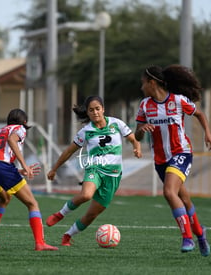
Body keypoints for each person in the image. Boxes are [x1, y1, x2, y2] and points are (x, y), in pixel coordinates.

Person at [135, 65, 211, 257]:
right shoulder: (145, 105)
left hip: (181, 153)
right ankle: (200, 233)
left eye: (143, 83)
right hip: (160, 159)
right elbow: (137, 136)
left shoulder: (178, 101)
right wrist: (142, 129)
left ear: (152, 82)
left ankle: (187, 237)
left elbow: (199, 114)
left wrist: (208, 133)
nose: (141, 88)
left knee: (169, 192)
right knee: (184, 199)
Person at [46, 95, 142, 246]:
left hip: (113, 176)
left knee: (91, 215)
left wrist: (137, 148)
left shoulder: (116, 124)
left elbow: (133, 139)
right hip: (94, 168)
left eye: (97, 109)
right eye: (91, 110)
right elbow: (69, 151)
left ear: (103, 109)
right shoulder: (86, 131)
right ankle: (60, 214)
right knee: (85, 195)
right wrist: (54, 169)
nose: (95, 112)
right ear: (88, 113)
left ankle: (68, 235)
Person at [0, 108, 58, 251]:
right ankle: (40, 243)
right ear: (25, 122)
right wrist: (25, 166)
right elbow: (11, 140)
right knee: (32, 203)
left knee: (5, 198)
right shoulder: (20, 128)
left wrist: (17, 170)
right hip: (0, 166)